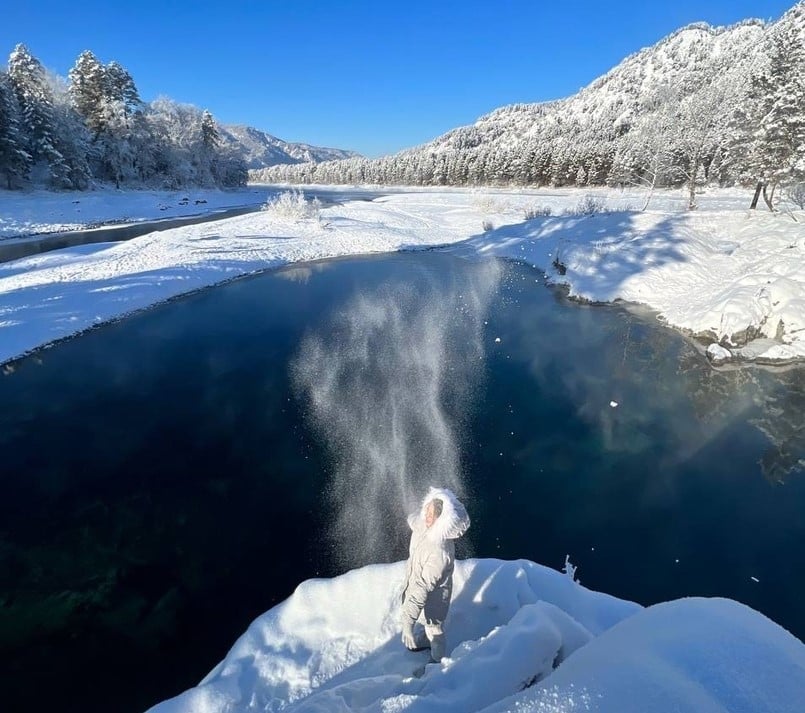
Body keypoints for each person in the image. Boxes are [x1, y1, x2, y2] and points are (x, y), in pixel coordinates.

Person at [400, 486, 470, 663]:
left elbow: (422, 588)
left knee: (435, 627)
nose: (428, 517)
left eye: (434, 514)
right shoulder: (424, 525)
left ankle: (437, 661)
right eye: (427, 511)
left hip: (434, 600)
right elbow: (414, 519)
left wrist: (407, 623)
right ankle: (427, 638)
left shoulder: (439, 551)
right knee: (426, 623)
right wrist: (438, 497)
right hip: (418, 589)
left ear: (443, 519)